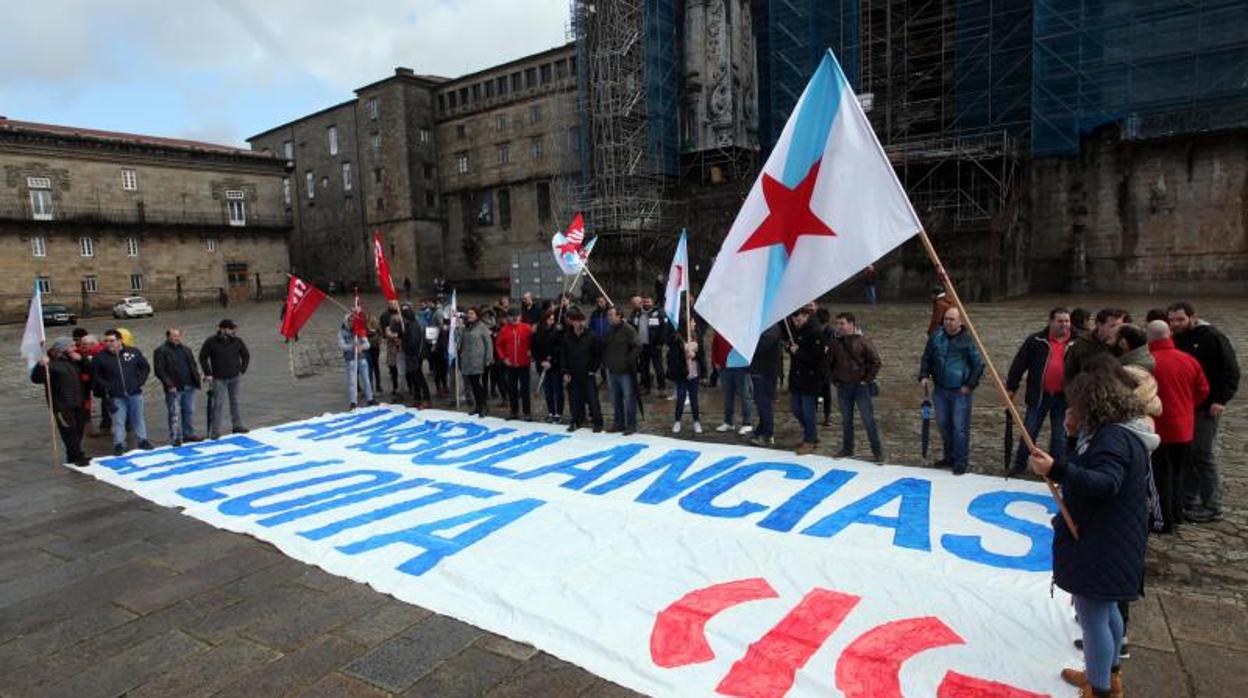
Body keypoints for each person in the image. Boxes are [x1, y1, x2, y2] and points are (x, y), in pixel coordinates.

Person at [1028, 367, 1155, 698]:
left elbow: (1105, 482)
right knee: (1107, 609)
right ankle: (1109, 677)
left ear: (1093, 402)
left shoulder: (1112, 437)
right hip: (1110, 535)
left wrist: (1057, 469)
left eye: (1077, 403)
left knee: (1093, 616)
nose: (1073, 409)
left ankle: (1099, 690)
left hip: (1103, 541)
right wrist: (1069, 445)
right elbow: (1091, 468)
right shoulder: (1113, 433)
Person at [1168, 301, 1239, 523]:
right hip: (1186, 405)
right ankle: (1189, 498)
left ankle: (1212, 505)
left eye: (1180, 320)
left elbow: (1231, 371)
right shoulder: (1176, 339)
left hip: (1208, 406)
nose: (1176, 324)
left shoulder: (1213, 338)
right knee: (1188, 453)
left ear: (1192, 317)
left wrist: (1221, 399)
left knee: (1203, 453)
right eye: (1172, 320)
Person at [1147, 320, 1209, 533]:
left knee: (1159, 477)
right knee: (1178, 474)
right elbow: (1203, 390)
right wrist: (1187, 407)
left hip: (1160, 429)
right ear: (1169, 334)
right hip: (1184, 427)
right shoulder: (1189, 360)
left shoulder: (1149, 362)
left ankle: (1162, 520)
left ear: (1149, 337)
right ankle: (1177, 513)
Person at [1005, 307, 1073, 475]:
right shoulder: (1035, 340)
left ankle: (1055, 471)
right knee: (1029, 431)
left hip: (1064, 398)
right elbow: (1019, 365)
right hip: (1039, 395)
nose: (1064, 325)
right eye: (1060, 321)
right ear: (1051, 321)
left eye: (1067, 321)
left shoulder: (1077, 343)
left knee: (1060, 436)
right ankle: (1020, 467)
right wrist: (1011, 388)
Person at [919, 307, 985, 475]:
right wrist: (924, 374)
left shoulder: (967, 339)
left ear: (960, 321)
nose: (948, 322)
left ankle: (960, 461)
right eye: (946, 319)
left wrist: (969, 385)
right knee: (943, 425)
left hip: (960, 391)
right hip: (940, 389)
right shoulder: (937, 335)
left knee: (959, 428)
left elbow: (978, 365)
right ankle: (949, 456)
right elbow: (927, 356)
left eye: (952, 319)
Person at [828, 312, 883, 463]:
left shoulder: (863, 341)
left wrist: (866, 380)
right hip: (843, 387)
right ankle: (847, 448)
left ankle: (877, 451)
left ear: (851, 324)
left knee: (868, 420)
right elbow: (829, 363)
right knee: (846, 420)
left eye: (842, 323)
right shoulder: (835, 343)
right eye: (838, 323)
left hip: (860, 387)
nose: (839, 327)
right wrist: (835, 379)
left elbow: (876, 362)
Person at [92, 329, 153, 455]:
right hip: (116, 395)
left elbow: (145, 367)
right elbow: (96, 375)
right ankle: (119, 443)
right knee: (118, 420)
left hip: (134, 392)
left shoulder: (133, 352)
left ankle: (142, 440)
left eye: (112, 341)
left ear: (119, 341)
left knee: (138, 418)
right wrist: (108, 386)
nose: (109, 343)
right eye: (106, 341)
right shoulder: (100, 357)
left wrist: (139, 382)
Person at [31, 337, 90, 466]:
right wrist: (40, 366)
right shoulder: (50, 363)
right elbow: (36, 379)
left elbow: (89, 370)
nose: (74, 348)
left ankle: (72, 454)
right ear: (63, 348)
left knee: (79, 429)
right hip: (61, 405)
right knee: (69, 431)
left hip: (78, 402)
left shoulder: (73, 360)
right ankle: (77, 456)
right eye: (71, 346)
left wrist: (82, 360)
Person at [199, 319, 250, 439]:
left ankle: (237, 425)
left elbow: (246, 355)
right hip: (218, 378)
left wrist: (242, 370)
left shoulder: (237, 341)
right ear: (223, 329)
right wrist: (208, 373)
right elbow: (202, 357)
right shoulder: (211, 341)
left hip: (234, 377)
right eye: (231, 328)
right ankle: (215, 431)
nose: (233, 331)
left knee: (235, 402)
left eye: (233, 328)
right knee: (218, 404)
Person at [786, 308, 828, 455]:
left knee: (808, 410)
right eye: (794, 319)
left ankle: (809, 440)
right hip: (796, 378)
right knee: (795, 408)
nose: (796, 322)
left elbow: (817, 359)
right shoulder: (795, 331)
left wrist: (798, 352)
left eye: (799, 319)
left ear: (806, 316)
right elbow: (794, 352)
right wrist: (789, 348)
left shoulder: (816, 333)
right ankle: (812, 433)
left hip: (810, 379)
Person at [153, 327, 203, 446]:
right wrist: (169, 384)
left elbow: (193, 365)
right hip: (174, 387)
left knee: (189, 411)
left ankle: (189, 433)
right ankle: (175, 436)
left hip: (189, 385)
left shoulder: (186, 349)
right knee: (174, 413)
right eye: (174, 336)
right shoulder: (161, 351)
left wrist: (197, 378)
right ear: (168, 337)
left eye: (178, 335)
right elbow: (159, 370)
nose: (177, 338)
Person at [560, 309, 604, 432]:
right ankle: (576, 420)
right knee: (574, 399)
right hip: (573, 373)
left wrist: (593, 369)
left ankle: (597, 422)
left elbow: (597, 354)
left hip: (587, 373)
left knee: (592, 399)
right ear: (572, 322)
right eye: (577, 321)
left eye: (582, 321)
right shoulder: (567, 337)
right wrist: (565, 372)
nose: (580, 324)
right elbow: (563, 356)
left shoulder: (592, 336)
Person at [604, 306, 642, 434]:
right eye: (608, 315)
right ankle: (618, 423)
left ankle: (631, 425)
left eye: (611, 315)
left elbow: (638, 346)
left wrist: (629, 360)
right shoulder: (609, 330)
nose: (609, 317)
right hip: (612, 370)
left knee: (629, 399)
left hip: (625, 372)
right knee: (615, 400)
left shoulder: (628, 330)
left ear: (619, 316)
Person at [1066, 308, 1128, 381]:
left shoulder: (1124, 344)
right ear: (1099, 325)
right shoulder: (1081, 344)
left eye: (1120, 326)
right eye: (1112, 326)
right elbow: (1069, 374)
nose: (1117, 330)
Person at [667, 318, 706, 434]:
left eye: (694, 322)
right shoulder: (677, 338)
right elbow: (674, 356)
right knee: (681, 396)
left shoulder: (698, 337)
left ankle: (696, 421)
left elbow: (702, 355)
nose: (694, 324)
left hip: (694, 373)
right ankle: (677, 421)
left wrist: (694, 355)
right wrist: (684, 354)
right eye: (692, 322)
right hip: (682, 373)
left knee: (694, 398)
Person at [711, 332, 753, 436]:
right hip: (725, 367)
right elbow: (715, 345)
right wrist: (715, 361)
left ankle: (747, 423)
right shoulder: (720, 329)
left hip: (741, 366)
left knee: (745, 396)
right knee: (728, 396)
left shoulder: (744, 328)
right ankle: (728, 422)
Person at [749, 322, 783, 447]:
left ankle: (768, 435)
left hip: (764, 371)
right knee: (760, 402)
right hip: (760, 370)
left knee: (764, 403)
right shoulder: (766, 328)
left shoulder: (771, 329)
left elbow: (759, 348)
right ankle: (761, 429)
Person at [497, 308, 534, 420]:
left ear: (520, 317)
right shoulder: (504, 330)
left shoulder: (527, 328)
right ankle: (514, 412)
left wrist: (532, 352)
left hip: (524, 363)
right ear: (508, 318)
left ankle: (527, 412)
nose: (514, 318)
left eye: (516, 316)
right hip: (511, 364)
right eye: (512, 316)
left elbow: (534, 342)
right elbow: (499, 345)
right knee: (512, 389)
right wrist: (504, 358)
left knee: (525, 389)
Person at [630, 294, 669, 398]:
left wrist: (661, 343)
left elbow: (664, 329)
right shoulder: (637, 313)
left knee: (658, 367)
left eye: (648, 301)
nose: (646, 303)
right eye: (644, 302)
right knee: (644, 368)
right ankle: (646, 387)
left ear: (652, 302)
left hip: (655, 346)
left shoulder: (659, 313)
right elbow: (631, 326)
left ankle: (662, 388)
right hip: (642, 346)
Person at [458, 307, 493, 417]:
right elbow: (460, 343)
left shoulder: (482, 327)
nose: (469, 315)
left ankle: (484, 406)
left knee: (479, 385)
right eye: (468, 313)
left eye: (472, 314)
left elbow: (488, 343)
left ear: (477, 315)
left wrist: (488, 359)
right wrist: (458, 329)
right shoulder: (466, 327)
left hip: (479, 361)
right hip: (468, 360)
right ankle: (478, 406)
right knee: (473, 385)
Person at [337, 314, 377, 410]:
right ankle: (353, 402)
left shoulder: (358, 330)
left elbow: (367, 344)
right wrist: (352, 346)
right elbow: (342, 346)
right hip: (350, 359)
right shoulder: (341, 333)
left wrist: (361, 347)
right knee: (352, 381)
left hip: (361, 357)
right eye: (350, 321)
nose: (351, 323)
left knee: (366, 379)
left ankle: (370, 398)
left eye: (353, 320)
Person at [533, 309, 564, 423]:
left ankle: (558, 413)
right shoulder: (538, 332)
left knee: (557, 389)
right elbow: (535, 348)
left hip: (554, 365)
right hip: (543, 365)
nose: (552, 321)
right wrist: (541, 361)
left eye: (553, 319)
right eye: (550, 319)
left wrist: (552, 361)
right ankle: (551, 412)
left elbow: (560, 349)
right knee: (548, 390)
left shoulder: (557, 332)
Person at [400, 306, 432, 407]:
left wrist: (403, 345)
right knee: (414, 378)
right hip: (412, 356)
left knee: (419, 377)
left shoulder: (413, 326)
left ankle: (426, 399)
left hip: (414, 356)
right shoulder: (411, 325)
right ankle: (417, 398)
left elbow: (413, 343)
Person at [365, 314, 383, 395]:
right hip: (370, 348)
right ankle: (372, 386)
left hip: (374, 347)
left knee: (374, 367)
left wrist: (378, 341)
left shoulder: (376, 328)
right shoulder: (366, 328)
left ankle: (377, 385)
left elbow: (380, 335)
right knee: (371, 367)